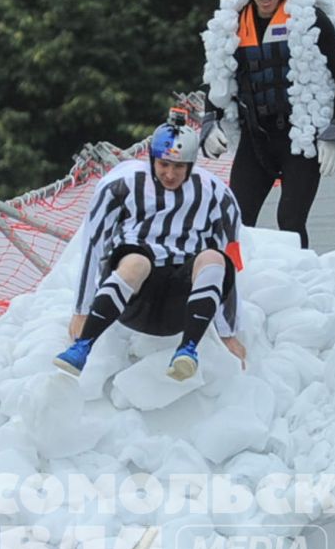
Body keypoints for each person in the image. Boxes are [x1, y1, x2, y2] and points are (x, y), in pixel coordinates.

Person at [54, 112, 246, 382]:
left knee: (214, 257)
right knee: (137, 262)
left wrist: (228, 333)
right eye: (164, 164)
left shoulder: (217, 195)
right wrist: (81, 310)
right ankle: (83, 346)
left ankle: (188, 349)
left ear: (191, 165)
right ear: (152, 159)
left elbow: (231, 257)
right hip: (134, 299)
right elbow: (93, 245)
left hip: (180, 303)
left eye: (179, 167)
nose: (170, 174)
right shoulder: (121, 184)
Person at [199, 0, 335, 249]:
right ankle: (236, 284)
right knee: (236, 220)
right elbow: (219, 77)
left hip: (300, 138)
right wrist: (210, 121)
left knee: (290, 220)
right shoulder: (233, 23)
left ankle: (299, 287)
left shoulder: (309, 18)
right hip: (256, 137)